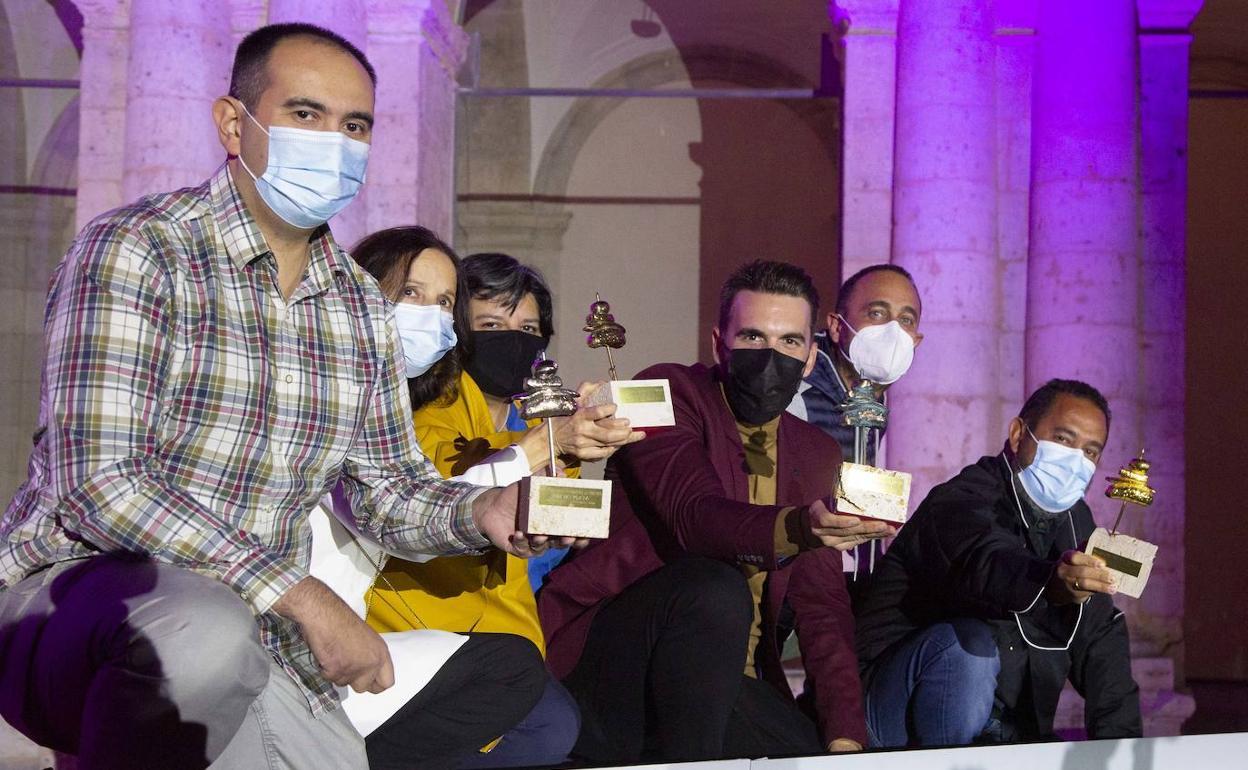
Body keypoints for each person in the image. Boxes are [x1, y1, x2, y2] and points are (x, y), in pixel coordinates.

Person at [0, 23, 562, 769]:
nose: (334, 142)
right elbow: (101, 483)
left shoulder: (358, 307)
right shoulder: (139, 250)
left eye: (354, 125)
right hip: (78, 604)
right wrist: (297, 595)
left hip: (255, 628)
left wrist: (477, 512)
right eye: (305, 114)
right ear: (235, 123)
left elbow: (387, 491)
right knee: (203, 633)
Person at [539, 260, 896, 764]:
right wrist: (801, 527)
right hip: (617, 665)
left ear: (812, 358)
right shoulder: (663, 393)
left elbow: (821, 608)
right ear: (718, 344)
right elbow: (695, 516)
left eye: (789, 342)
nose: (771, 356)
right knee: (713, 588)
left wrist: (844, 736)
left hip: (734, 683)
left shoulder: (816, 452)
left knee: (812, 754)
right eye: (752, 337)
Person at [349, 231, 638, 767]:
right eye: (491, 327)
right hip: (413, 628)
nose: (514, 340)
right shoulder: (420, 407)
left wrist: (580, 443)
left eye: (528, 329)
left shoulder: (540, 422)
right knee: (547, 727)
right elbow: (431, 490)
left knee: (564, 727)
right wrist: (551, 443)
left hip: (510, 639)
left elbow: (557, 521)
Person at [854, 379, 1142, 747]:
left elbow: (1099, 634)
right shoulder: (962, 499)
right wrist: (1047, 582)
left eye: (1090, 451)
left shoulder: (1077, 522)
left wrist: (1123, 748)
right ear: (1019, 434)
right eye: (1064, 440)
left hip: (1002, 732)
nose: (1075, 461)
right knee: (968, 646)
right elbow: (986, 562)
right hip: (885, 714)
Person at [787, 264, 923, 465]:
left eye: (906, 319)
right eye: (876, 313)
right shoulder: (794, 384)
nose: (893, 330)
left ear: (916, 342)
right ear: (837, 327)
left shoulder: (873, 397)